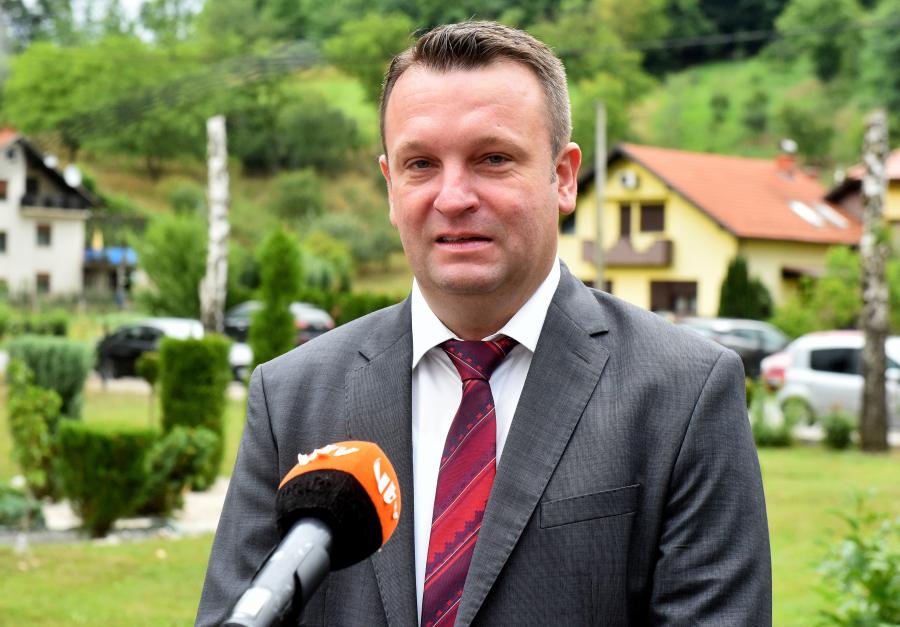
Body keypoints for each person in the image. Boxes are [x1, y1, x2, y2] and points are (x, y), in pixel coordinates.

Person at [196, 21, 771, 626]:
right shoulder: (290, 398)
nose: (453, 197)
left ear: (564, 177)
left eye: (493, 159)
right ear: (390, 186)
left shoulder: (684, 393)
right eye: (421, 163)